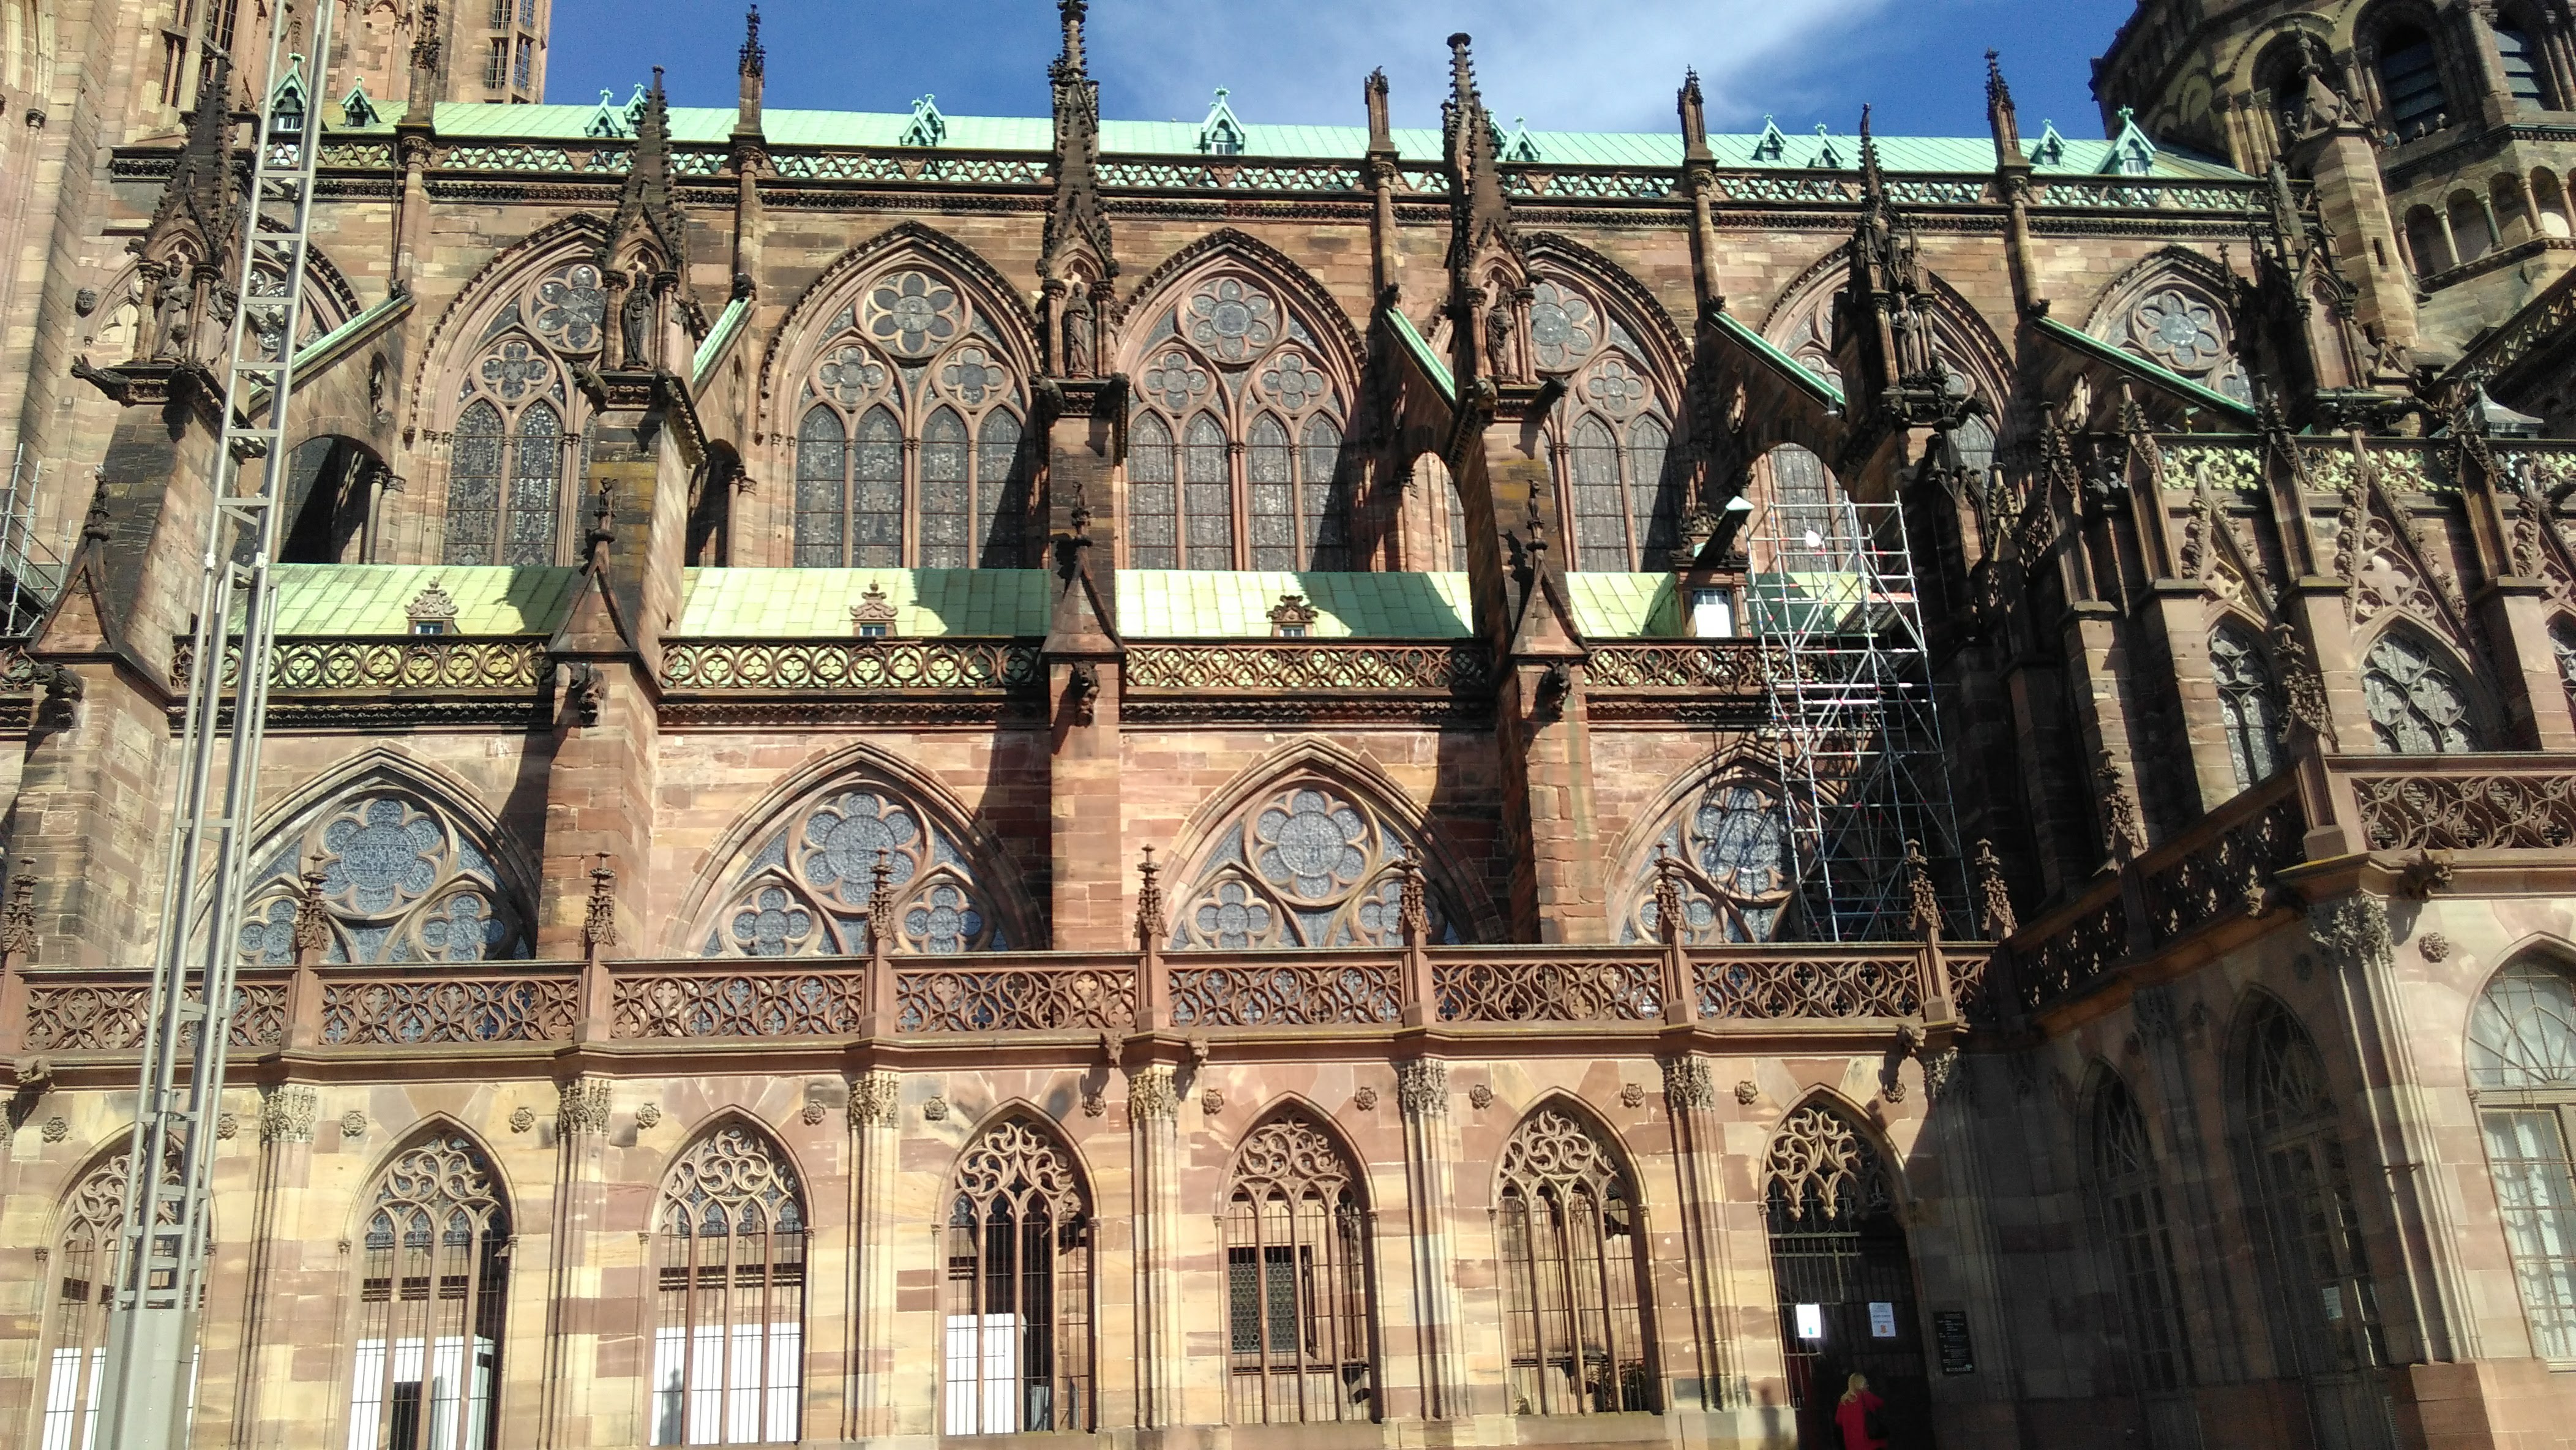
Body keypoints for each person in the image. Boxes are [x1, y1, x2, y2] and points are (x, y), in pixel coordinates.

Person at [1834, 1372, 1885, 1450]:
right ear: (1861, 1385)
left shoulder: (1844, 1402)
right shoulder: (1866, 1397)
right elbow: (1881, 1403)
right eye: (1866, 1384)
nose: (1868, 1386)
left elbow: (1838, 1421)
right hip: (1870, 1444)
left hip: (1852, 1445)